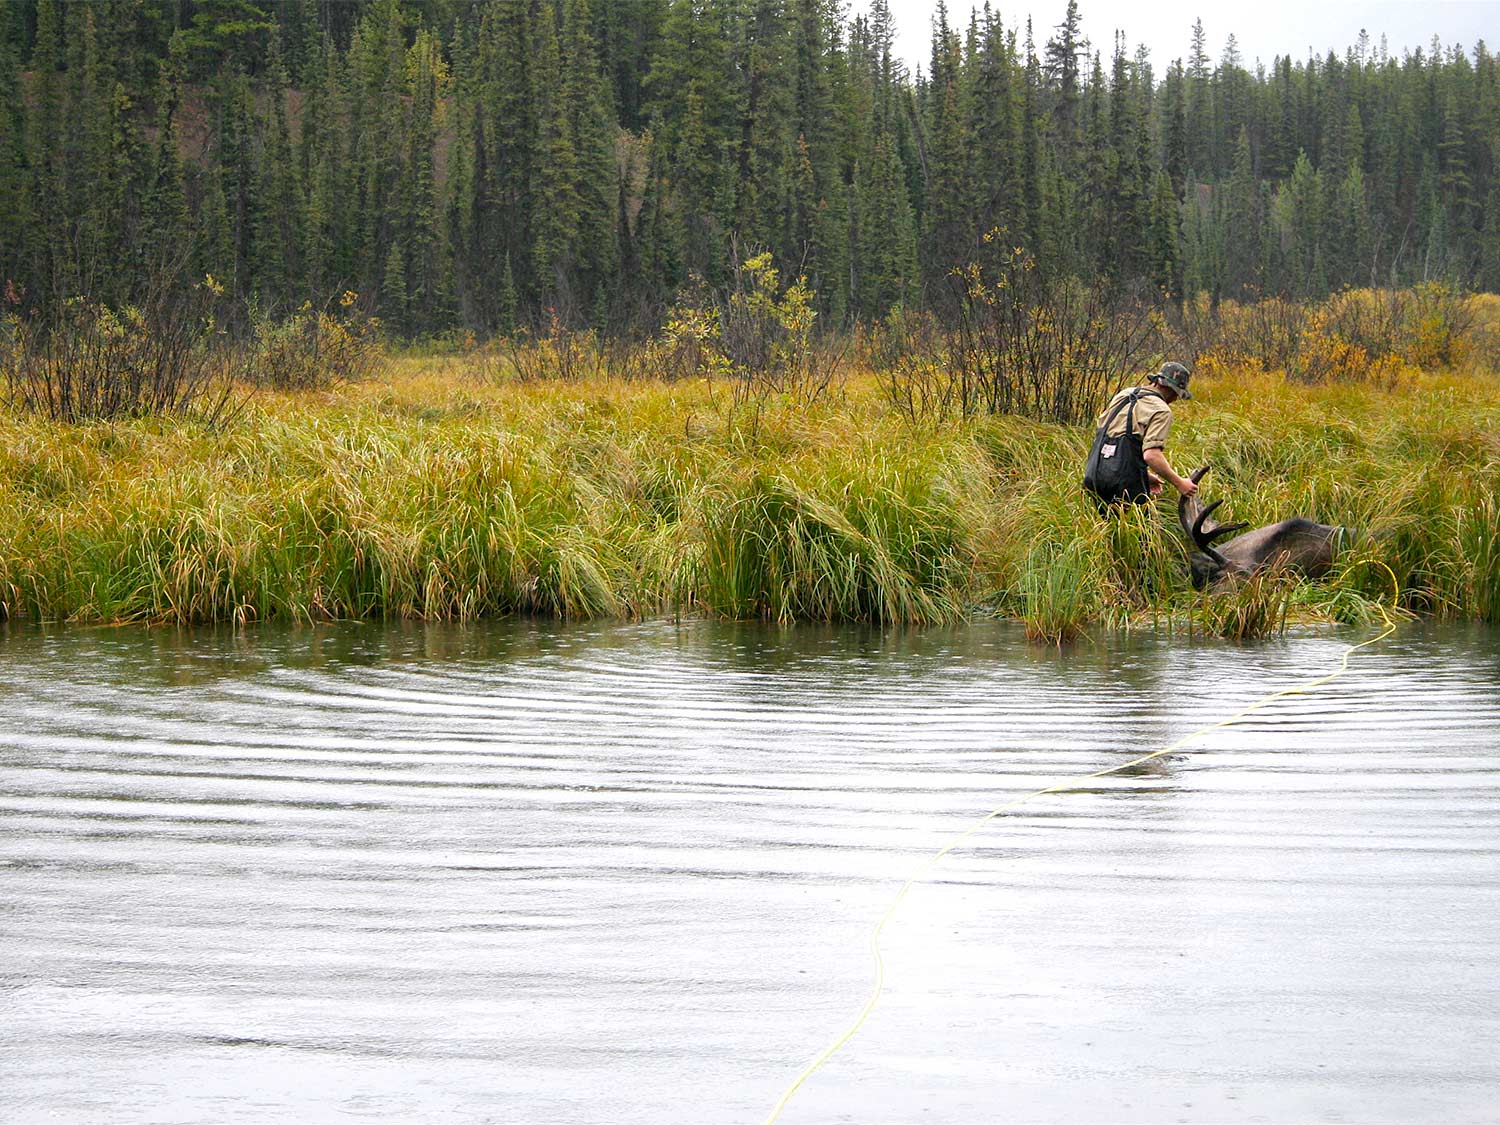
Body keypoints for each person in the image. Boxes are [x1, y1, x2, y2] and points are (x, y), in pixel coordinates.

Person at [1082, 361, 1199, 508]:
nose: (1175, 399)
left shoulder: (1125, 394)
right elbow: (1151, 455)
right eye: (1177, 395)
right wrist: (1180, 483)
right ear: (1172, 390)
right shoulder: (1161, 410)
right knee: (1139, 530)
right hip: (1123, 486)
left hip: (1093, 475)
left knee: (1105, 528)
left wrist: (1142, 475)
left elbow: (1111, 440)